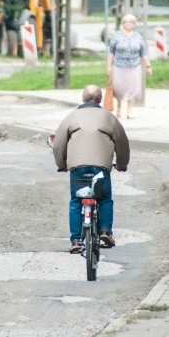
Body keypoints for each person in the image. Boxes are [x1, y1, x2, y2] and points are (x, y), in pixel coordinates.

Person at [53, 85, 130, 253]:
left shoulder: (71, 117)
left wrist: (61, 164)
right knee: (104, 199)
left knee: (76, 202)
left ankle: (75, 240)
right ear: (100, 99)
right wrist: (122, 163)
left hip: (78, 168)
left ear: (83, 99)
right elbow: (122, 143)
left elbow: (58, 144)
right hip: (100, 168)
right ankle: (104, 231)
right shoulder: (108, 118)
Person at [106, 13, 153, 119]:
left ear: (134, 24)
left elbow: (143, 52)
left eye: (132, 22)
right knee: (118, 87)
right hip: (119, 66)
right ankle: (119, 107)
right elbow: (111, 51)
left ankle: (129, 111)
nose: (129, 24)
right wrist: (109, 66)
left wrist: (148, 66)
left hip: (134, 66)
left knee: (133, 88)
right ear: (123, 23)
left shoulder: (138, 36)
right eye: (127, 21)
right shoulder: (116, 35)